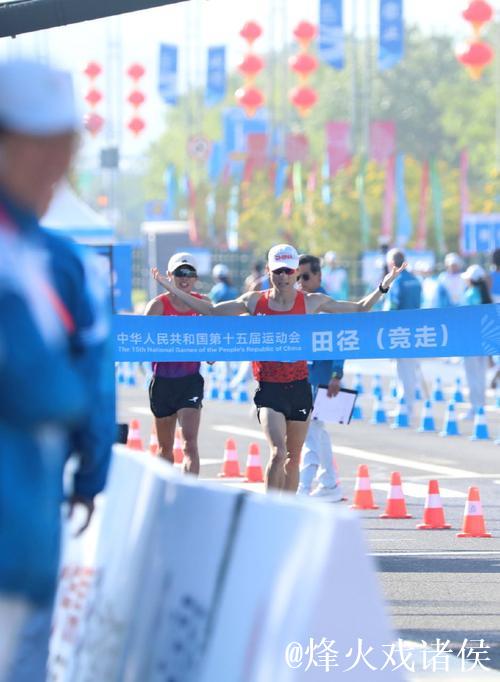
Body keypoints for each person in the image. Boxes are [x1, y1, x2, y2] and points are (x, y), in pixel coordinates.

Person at [0, 59, 114, 682]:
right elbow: (76, 392)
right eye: (47, 146)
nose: (58, 165)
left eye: (65, 147)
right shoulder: (60, 265)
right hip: (16, 532)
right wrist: (90, 478)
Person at [152, 243, 404, 494]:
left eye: (288, 271)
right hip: (269, 389)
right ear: (268, 271)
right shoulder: (254, 301)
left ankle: (287, 508)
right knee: (278, 452)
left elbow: (359, 308)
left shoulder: (311, 302)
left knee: (293, 458)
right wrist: (173, 289)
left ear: (296, 272)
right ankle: (269, 507)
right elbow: (212, 311)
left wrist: (384, 285)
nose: (283, 276)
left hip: (299, 387)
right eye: (277, 271)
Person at [145, 252, 210, 474]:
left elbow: (216, 340)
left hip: (190, 381)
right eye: (179, 273)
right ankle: (165, 492)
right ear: (169, 275)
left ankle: (189, 492)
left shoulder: (204, 305)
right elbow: (139, 341)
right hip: (163, 382)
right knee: (165, 449)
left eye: (189, 273)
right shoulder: (158, 306)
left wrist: (211, 352)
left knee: (190, 444)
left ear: (196, 277)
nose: (184, 278)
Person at [296, 254, 345, 502]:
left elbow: (340, 341)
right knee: (317, 431)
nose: (300, 282)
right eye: (297, 277)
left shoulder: (327, 305)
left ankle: (303, 488)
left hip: (322, 377)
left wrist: (336, 374)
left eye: (305, 277)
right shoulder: (298, 303)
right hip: (302, 375)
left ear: (318, 276)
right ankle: (329, 483)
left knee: (310, 431)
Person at [385, 249, 422, 424]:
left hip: (400, 331)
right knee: (410, 370)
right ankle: (408, 405)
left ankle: (405, 407)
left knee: (403, 371)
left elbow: (392, 307)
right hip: (415, 329)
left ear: (392, 264)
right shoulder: (415, 280)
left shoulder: (397, 281)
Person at [460, 264, 492, 419]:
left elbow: (465, 318)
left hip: (470, 340)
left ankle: (474, 408)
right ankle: (480, 407)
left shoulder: (470, 294)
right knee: (481, 375)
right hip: (484, 341)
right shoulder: (487, 297)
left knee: (472, 375)